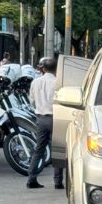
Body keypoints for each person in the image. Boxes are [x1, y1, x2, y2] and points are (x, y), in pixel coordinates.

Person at [26, 57, 64, 190]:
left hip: (41, 119)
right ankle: (58, 182)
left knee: (39, 149)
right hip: (56, 118)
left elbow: (31, 101)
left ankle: (31, 178)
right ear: (56, 69)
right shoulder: (58, 83)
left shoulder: (35, 82)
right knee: (58, 150)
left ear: (43, 68)